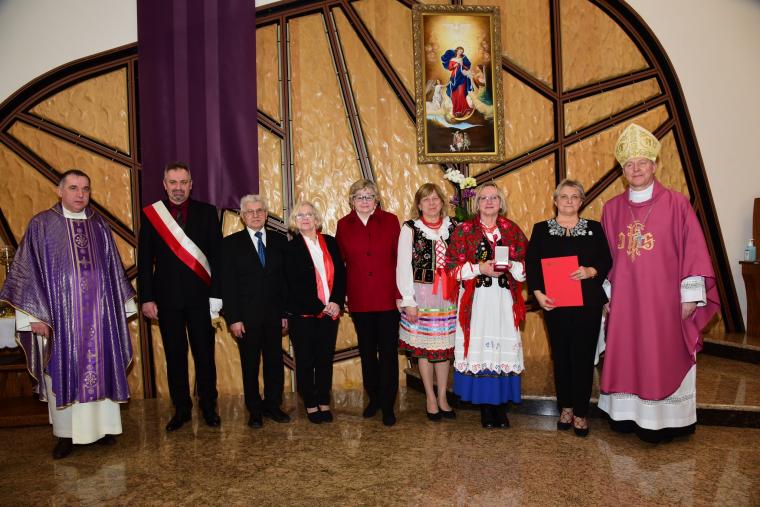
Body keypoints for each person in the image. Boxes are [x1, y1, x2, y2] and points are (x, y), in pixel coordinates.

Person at [0, 169, 135, 459]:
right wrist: (33, 317)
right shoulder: (42, 225)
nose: (80, 194)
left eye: (85, 189)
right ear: (59, 191)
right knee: (63, 369)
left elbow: (113, 271)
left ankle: (103, 429)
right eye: (73, 188)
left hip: (99, 318)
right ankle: (66, 435)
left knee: (101, 366)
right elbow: (27, 273)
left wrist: (119, 309)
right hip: (60, 319)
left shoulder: (99, 225)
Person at [599, 123, 720, 443]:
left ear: (654, 165)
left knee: (661, 353)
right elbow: (605, 258)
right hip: (626, 302)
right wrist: (606, 296)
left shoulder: (677, 204)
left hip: (664, 302)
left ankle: (668, 421)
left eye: (642, 162)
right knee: (628, 354)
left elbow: (694, 251)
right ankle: (626, 416)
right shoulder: (611, 210)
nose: (636, 169)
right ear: (622, 171)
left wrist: (690, 297)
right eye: (629, 164)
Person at [138, 162, 222, 431]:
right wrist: (146, 298)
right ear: (164, 185)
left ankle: (209, 407)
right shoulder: (152, 215)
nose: (178, 188)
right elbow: (144, 261)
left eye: (183, 182)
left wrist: (216, 297)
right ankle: (182, 409)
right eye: (173, 182)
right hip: (167, 299)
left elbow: (217, 259)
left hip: (201, 299)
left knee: (205, 355)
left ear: (191, 185)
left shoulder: (207, 212)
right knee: (175, 355)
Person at [525, 179, 612, 436]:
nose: (569, 201)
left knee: (583, 358)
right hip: (555, 305)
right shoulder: (541, 229)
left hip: (588, 304)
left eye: (575, 196)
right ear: (555, 201)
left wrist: (590, 270)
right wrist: (538, 294)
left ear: (581, 201)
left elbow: (606, 260)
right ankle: (565, 408)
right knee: (561, 357)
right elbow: (532, 264)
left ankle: (581, 412)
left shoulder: (594, 228)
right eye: (564, 196)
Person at [445, 182, 528, 429]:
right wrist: (479, 268)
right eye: (483, 198)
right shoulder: (464, 231)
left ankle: (501, 408)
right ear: (476, 203)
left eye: (494, 198)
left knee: (501, 352)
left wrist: (511, 266)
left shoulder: (512, 230)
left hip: (504, 301)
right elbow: (451, 269)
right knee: (481, 352)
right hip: (477, 302)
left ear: (501, 202)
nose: (489, 202)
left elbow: (527, 266)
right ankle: (486, 408)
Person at [220, 195, 290, 427]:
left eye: (260, 210)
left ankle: (273, 405)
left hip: (274, 316)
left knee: (274, 363)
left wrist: (285, 314)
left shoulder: (280, 241)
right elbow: (228, 285)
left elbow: (285, 282)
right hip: (245, 318)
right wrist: (233, 318)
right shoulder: (230, 244)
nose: (256, 215)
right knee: (250, 365)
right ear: (242, 216)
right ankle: (255, 410)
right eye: (250, 212)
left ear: (266, 214)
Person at [336, 179, 401, 426]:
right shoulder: (344, 225)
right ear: (352, 200)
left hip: (388, 298)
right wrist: (342, 294)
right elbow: (340, 264)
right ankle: (374, 398)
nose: (364, 201)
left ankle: (388, 404)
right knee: (367, 352)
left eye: (369, 196)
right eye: (359, 196)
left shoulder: (391, 221)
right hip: (359, 298)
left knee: (388, 353)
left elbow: (401, 259)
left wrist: (401, 295)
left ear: (377, 200)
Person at [396, 183, 457, 420]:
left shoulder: (453, 226)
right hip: (421, 294)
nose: (431, 203)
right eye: (426, 200)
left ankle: (442, 396)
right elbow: (403, 266)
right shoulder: (410, 228)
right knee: (424, 349)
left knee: (443, 349)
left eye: (435, 199)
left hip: (448, 293)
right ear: (419, 205)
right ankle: (430, 397)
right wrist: (408, 300)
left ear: (442, 202)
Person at [284, 201, 346, 424]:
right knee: (305, 360)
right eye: (300, 215)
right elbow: (293, 284)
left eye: (309, 214)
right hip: (304, 315)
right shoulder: (290, 248)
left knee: (324, 360)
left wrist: (336, 301)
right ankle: (310, 403)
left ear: (316, 218)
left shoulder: (330, 242)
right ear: (294, 221)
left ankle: (323, 401)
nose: (305, 218)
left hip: (331, 313)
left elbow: (341, 274)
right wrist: (321, 307)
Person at [441, 46, 473, 118]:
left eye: (462, 51)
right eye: (459, 51)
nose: (460, 52)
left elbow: (467, 67)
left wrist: (463, 65)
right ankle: (456, 111)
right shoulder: (452, 59)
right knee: (454, 94)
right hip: (454, 78)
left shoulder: (463, 59)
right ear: (457, 51)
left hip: (462, 77)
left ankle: (465, 109)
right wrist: (454, 65)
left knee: (461, 93)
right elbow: (450, 68)